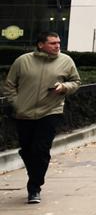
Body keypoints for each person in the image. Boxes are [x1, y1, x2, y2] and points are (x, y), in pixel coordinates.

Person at [4, 31, 81, 203]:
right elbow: (10, 85)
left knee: (41, 150)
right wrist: (16, 103)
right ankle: (34, 176)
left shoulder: (66, 61)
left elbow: (76, 82)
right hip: (23, 113)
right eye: (53, 43)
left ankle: (34, 188)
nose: (57, 46)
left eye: (58, 43)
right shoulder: (22, 61)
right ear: (41, 44)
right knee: (27, 150)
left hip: (50, 111)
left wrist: (64, 87)